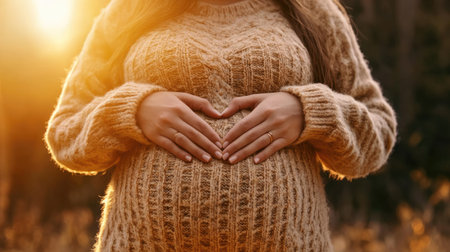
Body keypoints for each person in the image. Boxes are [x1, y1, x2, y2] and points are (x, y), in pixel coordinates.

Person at [44, 0, 397, 250]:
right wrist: (133, 110)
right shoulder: (129, 10)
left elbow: (377, 135)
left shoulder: (313, 11)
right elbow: (65, 134)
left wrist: (311, 111)